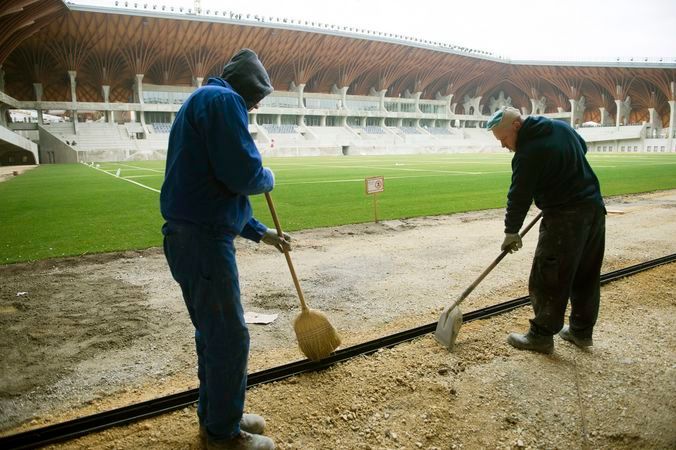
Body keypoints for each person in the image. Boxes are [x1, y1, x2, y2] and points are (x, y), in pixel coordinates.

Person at [160, 49, 289, 450]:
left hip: (193, 235)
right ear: (248, 88)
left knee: (213, 335)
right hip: (203, 241)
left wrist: (260, 232)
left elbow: (214, 189)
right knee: (230, 337)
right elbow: (243, 174)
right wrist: (266, 174)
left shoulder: (205, 100)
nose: (256, 104)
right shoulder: (224, 101)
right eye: (258, 96)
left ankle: (217, 414)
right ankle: (223, 434)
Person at [486, 106, 606, 355]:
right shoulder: (561, 128)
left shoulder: (528, 153)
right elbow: (581, 148)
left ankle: (541, 335)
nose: (503, 146)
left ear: (517, 126)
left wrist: (511, 231)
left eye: (504, 139)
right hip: (594, 209)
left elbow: (519, 196)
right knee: (585, 275)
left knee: (548, 276)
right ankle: (581, 332)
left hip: (565, 218)